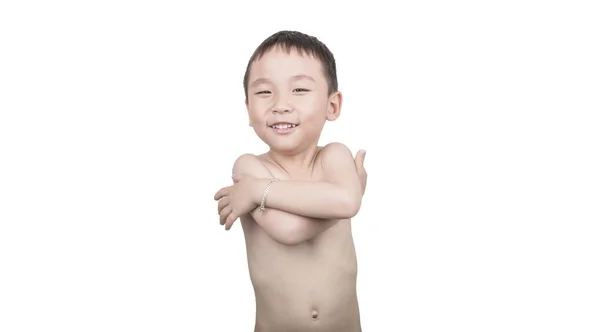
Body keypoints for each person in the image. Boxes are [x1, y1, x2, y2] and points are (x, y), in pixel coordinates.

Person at [214, 30, 368, 332]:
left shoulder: (334, 156)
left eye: (299, 90)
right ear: (248, 109)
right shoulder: (249, 168)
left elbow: (347, 202)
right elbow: (290, 229)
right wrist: (345, 199)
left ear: (332, 105)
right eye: (263, 92)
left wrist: (259, 192)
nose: (280, 104)